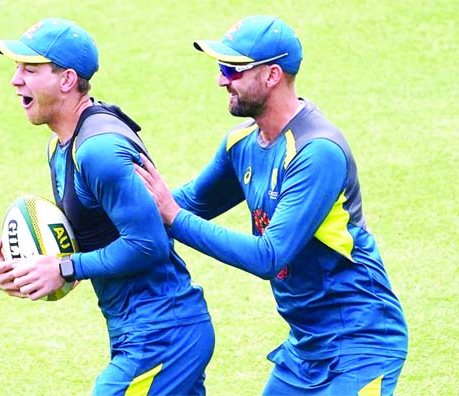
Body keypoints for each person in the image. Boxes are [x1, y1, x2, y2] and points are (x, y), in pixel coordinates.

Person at [134, 15, 408, 396]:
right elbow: (188, 202)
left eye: (232, 69)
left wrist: (174, 218)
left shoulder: (317, 153)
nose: (221, 80)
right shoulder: (241, 144)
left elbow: (269, 255)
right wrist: (93, 232)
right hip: (306, 345)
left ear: (272, 75)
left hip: (360, 342)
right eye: (220, 67)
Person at [0, 17, 214, 396]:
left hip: (162, 334)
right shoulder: (61, 146)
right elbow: (96, 238)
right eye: (16, 68)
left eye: (29, 69)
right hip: (142, 329)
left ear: (67, 80)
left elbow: (149, 244)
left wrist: (64, 267)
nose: (15, 79)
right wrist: (24, 268)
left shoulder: (98, 150)